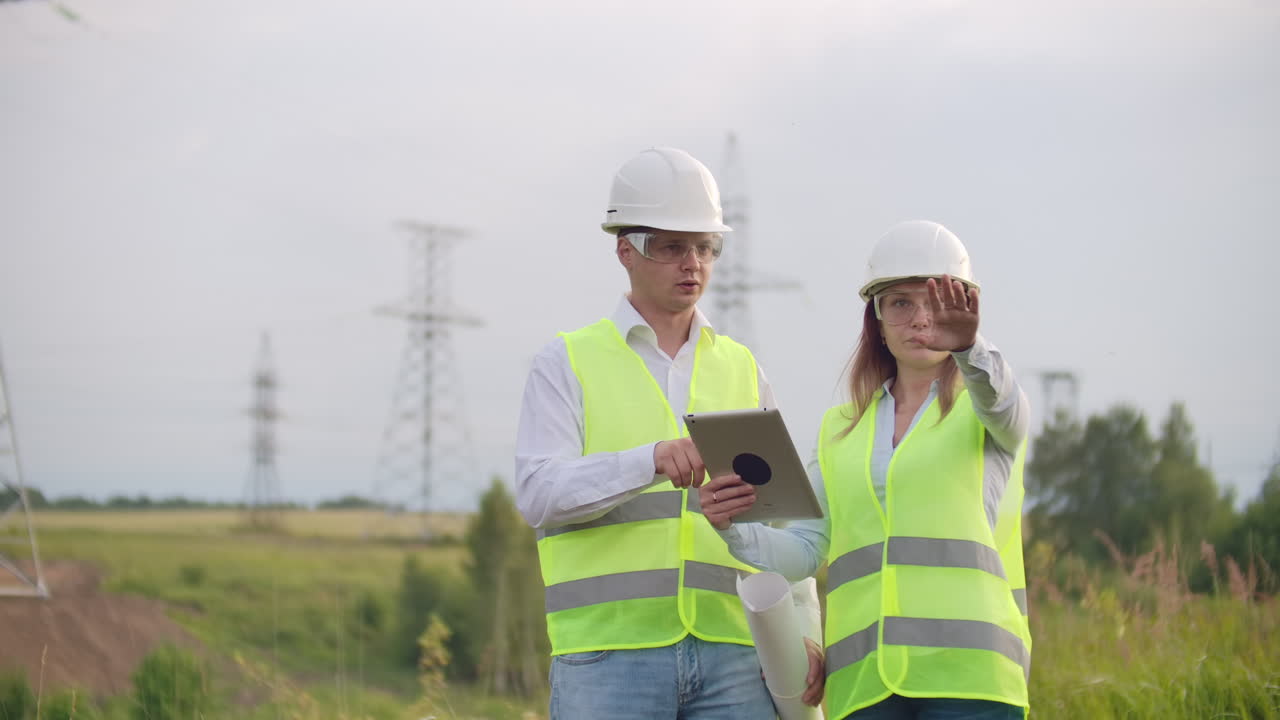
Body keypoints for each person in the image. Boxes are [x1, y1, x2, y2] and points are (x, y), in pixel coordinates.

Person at [514, 146, 821, 719]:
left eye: (706, 247)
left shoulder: (741, 367)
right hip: (607, 656)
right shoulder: (566, 362)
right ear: (625, 249)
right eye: (673, 246)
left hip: (737, 655)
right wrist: (649, 460)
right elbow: (538, 493)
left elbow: (783, 519)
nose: (693, 264)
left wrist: (801, 631)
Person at [701, 220, 1032, 719]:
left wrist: (969, 349)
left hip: (971, 680)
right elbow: (805, 551)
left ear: (965, 311)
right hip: (865, 687)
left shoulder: (987, 407)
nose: (921, 318)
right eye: (900, 302)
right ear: (875, 318)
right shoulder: (841, 429)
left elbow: (1005, 405)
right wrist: (735, 528)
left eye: (937, 303)